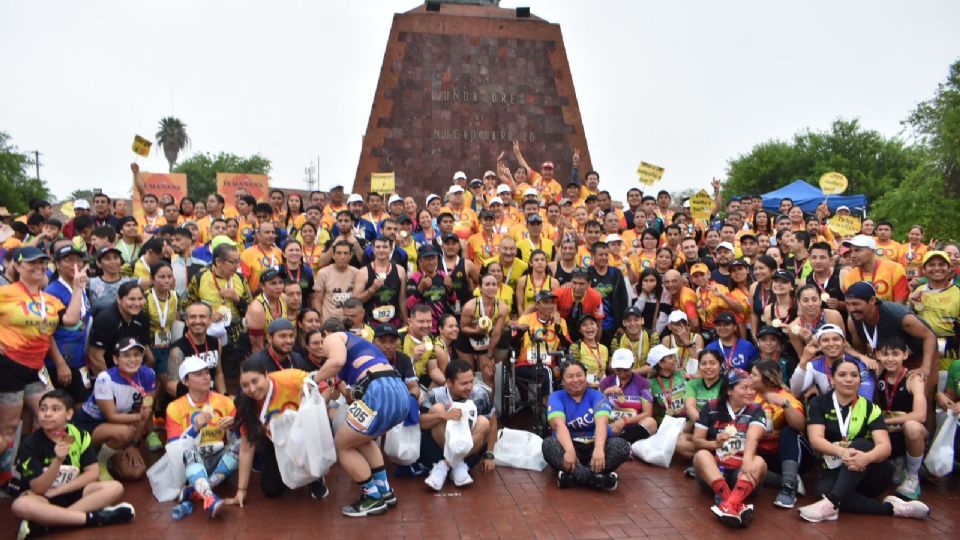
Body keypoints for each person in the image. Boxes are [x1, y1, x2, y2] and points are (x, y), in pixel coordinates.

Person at [800, 357, 929, 522]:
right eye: (842, 375)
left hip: (871, 472)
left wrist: (866, 458)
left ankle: (831, 502)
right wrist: (842, 451)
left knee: (862, 444)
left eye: (854, 375)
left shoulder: (871, 408)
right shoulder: (819, 404)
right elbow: (815, 439)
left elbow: (884, 447)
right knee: (822, 491)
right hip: (836, 469)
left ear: (860, 380)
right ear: (832, 379)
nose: (849, 379)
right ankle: (894, 509)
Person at [311, 330, 415, 517]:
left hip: (380, 393)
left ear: (326, 332)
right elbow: (350, 393)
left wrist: (311, 380)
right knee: (363, 439)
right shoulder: (359, 345)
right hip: (398, 392)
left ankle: (372, 497)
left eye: (321, 341)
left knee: (342, 446)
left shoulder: (334, 337)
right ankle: (385, 491)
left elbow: (336, 362)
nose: (321, 347)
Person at [12, 390, 134, 539]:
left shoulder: (80, 435)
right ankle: (94, 519)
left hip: (72, 492)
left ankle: (50, 522)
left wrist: (59, 491)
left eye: (55, 409)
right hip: (43, 496)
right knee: (20, 506)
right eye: (43, 409)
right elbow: (38, 487)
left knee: (115, 487)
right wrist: (57, 461)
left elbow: (93, 472)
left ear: (68, 414)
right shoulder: (30, 443)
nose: (47, 414)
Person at [228, 361, 330, 505]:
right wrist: (241, 490)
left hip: (307, 433)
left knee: (311, 460)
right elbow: (246, 449)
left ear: (266, 375)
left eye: (255, 381)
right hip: (277, 441)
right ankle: (293, 471)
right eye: (245, 385)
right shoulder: (247, 405)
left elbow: (326, 389)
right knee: (271, 490)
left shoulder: (292, 379)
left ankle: (316, 476)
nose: (252, 389)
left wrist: (312, 408)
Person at [72, 338, 156, 481]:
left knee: (135, 472)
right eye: (126, 355)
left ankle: (106, 454)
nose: (132, 359)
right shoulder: (105, 378)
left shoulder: (148, 374)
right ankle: (100, 463)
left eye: (137, 355)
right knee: (125, 432)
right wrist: (138, 419)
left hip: (117, 429)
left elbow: (146, 409)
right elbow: (111, 416)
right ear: (116, 359)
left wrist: (133, 444)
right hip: (89, 427)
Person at [692, 368, 767, 528]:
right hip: (715, 472)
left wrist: (747, 461)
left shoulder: (756, 410)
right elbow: (697, 440)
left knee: (759, 461)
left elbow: (753, 438)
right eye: (744, 388)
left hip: (742, 473)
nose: (750, 392)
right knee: (701, 455)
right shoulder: (711, 407)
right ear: (729, 390)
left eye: (751, 388)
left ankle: (728, 504)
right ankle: (734, 504)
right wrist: (715, 444)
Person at [165, 357, 239, 519]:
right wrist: (195, 429)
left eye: (206, 372)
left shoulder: (224, 401)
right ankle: (209, 498)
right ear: (185, 381)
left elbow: (242, 435)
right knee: (189, 450)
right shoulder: (174, 407)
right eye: (198, 374)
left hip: (218, 460)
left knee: (243, 444)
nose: (206, 377)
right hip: (191, 463)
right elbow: (175, 449)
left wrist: (235, 424)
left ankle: (196, 491)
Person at [542, 360, 630, 490]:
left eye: (579, 375)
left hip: (595, 446)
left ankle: (573, 477)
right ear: (562, 380)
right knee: (548, 445)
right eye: (570, 376)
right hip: (568, 446)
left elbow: (602, 422)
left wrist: (599, 449)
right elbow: (558, 425)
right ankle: (597, 479)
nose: (576, 380)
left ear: (585, 376)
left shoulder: (597, 395)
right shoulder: (556, 397)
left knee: (622, 447)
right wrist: (570, 450)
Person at [420, 359, 497, 491]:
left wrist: (489, 454)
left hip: (468, 451)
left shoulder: (481, 394)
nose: (469, 387)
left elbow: (493, 423)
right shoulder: (435, 395)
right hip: (439, 448)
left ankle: (445, 465)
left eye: (471, 381)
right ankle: (456, 464)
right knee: (437, 409)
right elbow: (421, 422)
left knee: (484, 422)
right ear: (449, 382)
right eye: (464, 383)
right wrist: (443, 416)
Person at [845, 281, 938, 383]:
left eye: (855, 304)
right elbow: (860, 349)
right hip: (890, 358)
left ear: (872, 300)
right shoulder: (852, 320)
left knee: (921, 391)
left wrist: (925, 367)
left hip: (920, 355)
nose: (851, 309)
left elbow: (929, 336)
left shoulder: (898, 316)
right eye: (848, 304)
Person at [749, 360, 811, 509]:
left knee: (789, 432)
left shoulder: (786, 397)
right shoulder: (749, 395)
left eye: (754, 375)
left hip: (790, 454)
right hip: (763, 454)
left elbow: (800, 426)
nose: (749, 377)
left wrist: (784, 404)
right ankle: (786, 480)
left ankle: (788, 487)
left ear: (767, 378)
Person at [874, 336, 927, 501]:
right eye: (885, 354)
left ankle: (912, 476)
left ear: (905, 355)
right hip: (887, 434)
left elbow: (921, 415)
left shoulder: (913, 379)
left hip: (906, 431)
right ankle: (897, 461)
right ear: (878, 355)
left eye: (895, 354)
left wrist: (885, 421)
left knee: (912, 427)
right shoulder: (877, 373)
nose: (890, 359)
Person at [45, 245, 94, 405]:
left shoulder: (79, 287)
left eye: (79, 260)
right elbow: (47, 333)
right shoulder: (53, 291)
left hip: (79, 357)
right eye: (69, 260)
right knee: (63, 406)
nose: (76, 264)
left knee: (82, 403)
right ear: (57, 264)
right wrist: (60, 364)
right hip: (60, 361)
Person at [791, 323, 877, 399]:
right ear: (819, 344)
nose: (831, 344)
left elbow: (865, 400)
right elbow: (796, 389)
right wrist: (804, 360)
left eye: (836, 339)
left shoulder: (859, 366)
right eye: (825, 340)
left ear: (844, 342)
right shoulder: (814, 365)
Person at [455, 273, 508, 385]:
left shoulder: (502, 307)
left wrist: (490, 354)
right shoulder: (470, 306)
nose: (491, 287)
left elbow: (497, 333)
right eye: (487, 284)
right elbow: (463, 328)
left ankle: (489, 403)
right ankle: (469, 401)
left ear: (498, 287)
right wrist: (476, 331)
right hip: (466, 339)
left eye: (494, 284)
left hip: (484, 339)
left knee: (489, 374)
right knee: (468, 375)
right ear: (480, 288)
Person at [910, 251, 960, 368]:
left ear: (949, 268)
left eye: (941, 264)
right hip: (920, 354)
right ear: (924, 270)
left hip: (949, 356)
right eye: (931, 265)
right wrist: (911, 305)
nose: (936, 268)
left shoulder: (958, 293)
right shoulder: (917, 291)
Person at [646, 345, 696, 460]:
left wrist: (688, 343)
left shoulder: (683, 374)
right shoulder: (650, 384)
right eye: (670, 357)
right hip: (666, 426)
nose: (674, 359)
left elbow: (697, 364)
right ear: (661, 364)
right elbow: (652, 411)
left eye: (674, 356)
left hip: (688, 422)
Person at [167, 302, 225, 397]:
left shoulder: (216, 343)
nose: (197, 321)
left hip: (211, 400)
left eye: (202, 317)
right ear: (186, 321)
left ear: (210, 320)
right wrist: (198, 399)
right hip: (189, 404)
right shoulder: (178, 350)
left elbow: (218, 374)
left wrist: (224, 396)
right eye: (193, 317)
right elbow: (171, 386)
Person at [599, 349, 658, 443]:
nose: (622, 374)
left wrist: (624, 421)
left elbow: (647, 413)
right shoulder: (606, 382)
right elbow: (597, 410)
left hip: (633, 425)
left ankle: (619, 443)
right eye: (618, 370)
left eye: (626, 370)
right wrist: (605, 393)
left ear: (632, 365)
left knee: (651, 422)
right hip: (611, 424)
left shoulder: (643, 383)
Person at [354, 237, 408, 328]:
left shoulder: (400, 270)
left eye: (385, 247)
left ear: (391, 249)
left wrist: (406, 320)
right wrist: (372, 289)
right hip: (370, 324)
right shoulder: (363, 272)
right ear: (373, 249)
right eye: (378, 247)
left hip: (394, 323)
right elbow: (355, 301)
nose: (381, 250)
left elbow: (402, 300)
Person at [840, 235, 908, 303]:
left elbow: (899, 307)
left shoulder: (895, 269)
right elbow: (852, 308)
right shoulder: (849, 276)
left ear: (872, 251)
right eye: (851, 251)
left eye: (857, 250)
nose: (852, 255)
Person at [244, 268, 289, 354]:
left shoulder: (283, 298)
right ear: (262, 286)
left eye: (281, 282)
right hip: (257, 352)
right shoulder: (257, 309)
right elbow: (257, 346)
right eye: (273, 283)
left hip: (278, 349)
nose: (279, 287)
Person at [313, 241, 359, 321]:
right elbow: (317, 300)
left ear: (350, 256)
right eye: (338, 253)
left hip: (350, 322)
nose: (342, 256)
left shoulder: (357, 273)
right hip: (329, 323)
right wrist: (319, 319)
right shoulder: (323, 273)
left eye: (345, 253)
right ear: (333, 255)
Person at [570, 315, 608, 386]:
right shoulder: (576, 347)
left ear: (597, 327)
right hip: (584, 388)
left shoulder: (604, 348)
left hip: (602, 388)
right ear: (580, 330)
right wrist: (591, 385)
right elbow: (573, 372)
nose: (589, 327)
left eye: (592, 323)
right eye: (584, 325)